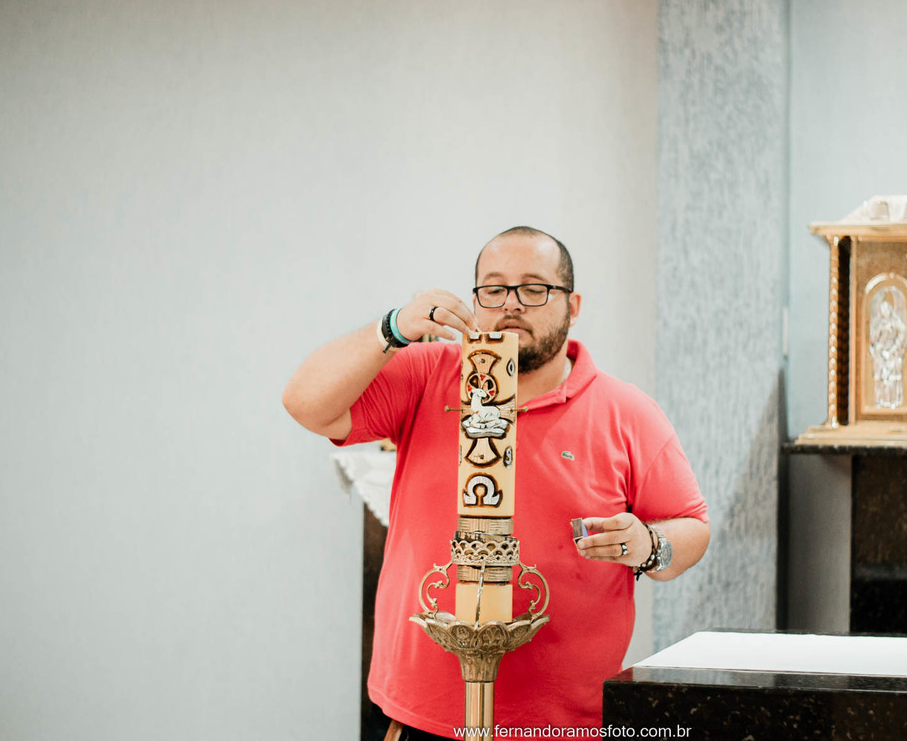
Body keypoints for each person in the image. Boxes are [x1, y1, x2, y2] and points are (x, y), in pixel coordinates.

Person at [282, 226, 710, 739]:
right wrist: (393, 329)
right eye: (494, 288)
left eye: (534, 288)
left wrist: (650, 545)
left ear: (572, 305)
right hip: (422, 715)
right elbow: (305, 403)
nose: (512, 304)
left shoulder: (626, 412)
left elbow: (693, 527)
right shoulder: (428, 374)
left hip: (564, 724)